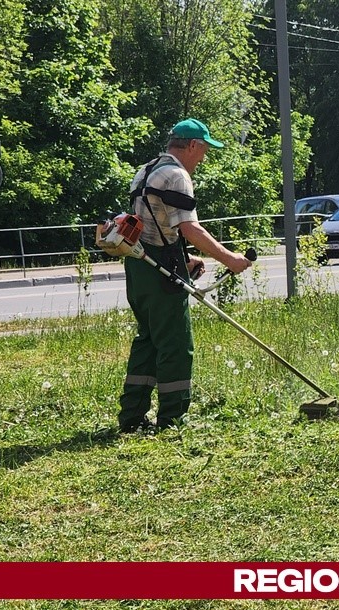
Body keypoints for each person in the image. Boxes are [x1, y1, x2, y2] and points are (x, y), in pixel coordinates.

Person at [118, 118, 251, 433]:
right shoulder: (177, 176)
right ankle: (172, 419)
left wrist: (184, 257)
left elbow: (152, 226)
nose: (204, 158)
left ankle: (132, 417)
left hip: (139, 266)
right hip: (160, 275)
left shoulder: (146, 170)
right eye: (204, 149)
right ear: (192, 145)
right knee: (176, 345)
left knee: (148, 341)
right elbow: (190, 228)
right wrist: (230, 259)